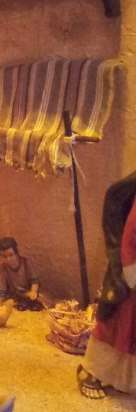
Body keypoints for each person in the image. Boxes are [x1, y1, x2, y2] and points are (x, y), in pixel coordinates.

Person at [78, 171, 136, 399]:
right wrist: (130, 271)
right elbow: (130, 237)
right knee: (118, 327)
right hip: (132, 278)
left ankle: (124, 379)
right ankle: (91, 372)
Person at [0, 236, 43, 311]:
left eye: (11, 255)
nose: (8, 259)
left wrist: (33, 291)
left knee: (38, 305)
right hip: (16, 297)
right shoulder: (3, 268)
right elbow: (1, 290)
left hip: (29, 294)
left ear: (16, 252)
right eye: (4, 256)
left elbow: (34, 280)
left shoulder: (26, 263)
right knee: (18, 307)